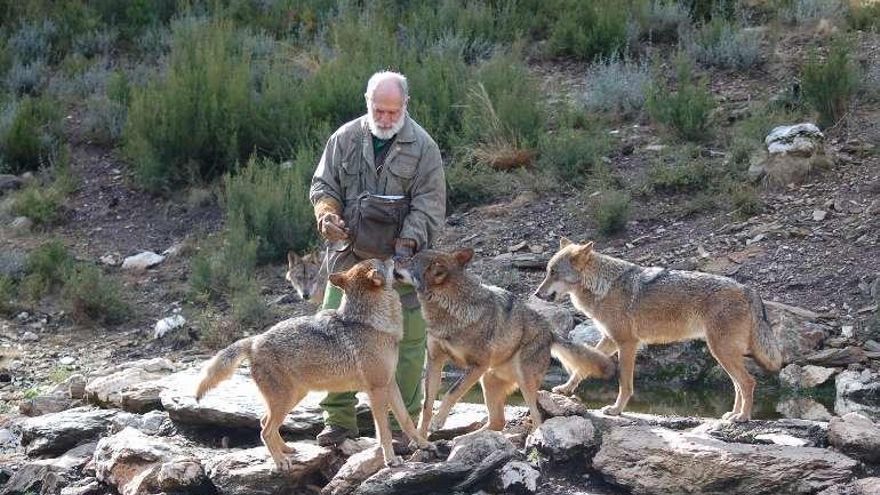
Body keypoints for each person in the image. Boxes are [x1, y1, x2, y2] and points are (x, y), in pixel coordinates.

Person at [309, 70, 446, 446]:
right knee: (332, 336)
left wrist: (407, 245)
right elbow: (324, 185)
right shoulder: (345, 138)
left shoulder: (424, 147)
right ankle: (339, 421)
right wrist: (327, 216)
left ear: (405, 105)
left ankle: (403, 428)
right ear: (366, 101)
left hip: (400, 262)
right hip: (349, 262)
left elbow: (430, 206)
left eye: (392, 111)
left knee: (409, 341)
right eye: (378, 110)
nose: (385, 118)